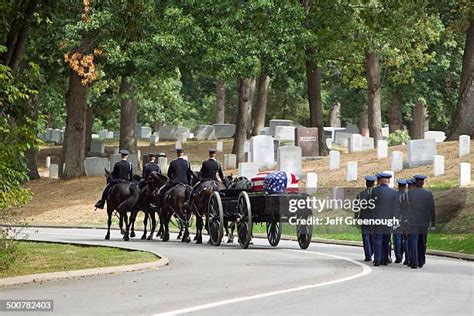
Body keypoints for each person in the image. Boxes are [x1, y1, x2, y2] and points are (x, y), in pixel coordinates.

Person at [406, 174, 436, 269]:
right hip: (423, 222)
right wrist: (433, 222)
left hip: (412, 221)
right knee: (422, 242)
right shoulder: (428, 194)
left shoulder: (410, 193)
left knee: (413, 241)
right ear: (423, 182)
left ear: (416, 182)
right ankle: (421, 260)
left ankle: (414, 261)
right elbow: (432, 208)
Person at [371, 173, 399, 266]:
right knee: (386, 239)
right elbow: (395, 208)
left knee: (378, 239)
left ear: (379, 180)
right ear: (389, 181)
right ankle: (384, 258)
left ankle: (377, 259)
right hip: (388, 219)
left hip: (377, 219)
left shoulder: (374, 191)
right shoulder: (393, 193)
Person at [355, 175, 376, 261]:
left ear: (366, 183)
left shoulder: (360, 195)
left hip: (364, 218)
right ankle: (372, 252)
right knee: (373, 236)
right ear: (373, 184)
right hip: (375, 219)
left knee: (366, 237)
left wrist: (356, 218)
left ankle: (368, 255)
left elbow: (356, 208)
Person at [393, 179, 407, 263]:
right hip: (405, 219)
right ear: (405, 187)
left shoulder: (394, 195)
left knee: (397, 238)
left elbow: (394, 209)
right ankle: (406, 256)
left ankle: (398, 256)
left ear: (398, 186)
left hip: (397, 219)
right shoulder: (408, 196)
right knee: (405, 239)